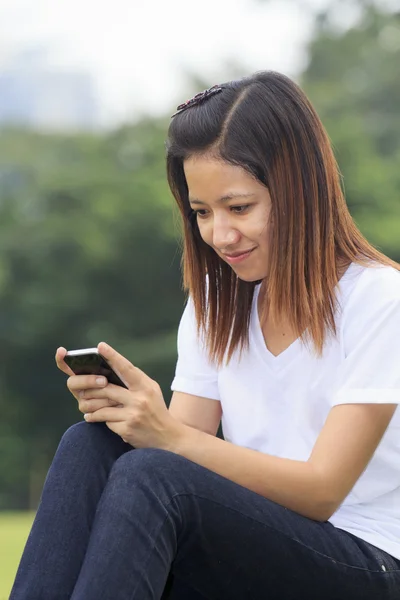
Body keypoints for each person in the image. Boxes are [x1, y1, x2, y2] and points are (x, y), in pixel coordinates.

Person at [10, 71, 400, 600]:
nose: (220, 234)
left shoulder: (378, 299)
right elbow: (178, 446)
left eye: (239, 208)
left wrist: (167, 436)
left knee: (153, 474)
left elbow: (322, 492)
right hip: (255, 539)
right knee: (91, 444)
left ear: (300, 190)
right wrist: (139, 418)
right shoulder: (216, 302)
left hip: (366, 560)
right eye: (201, 212)